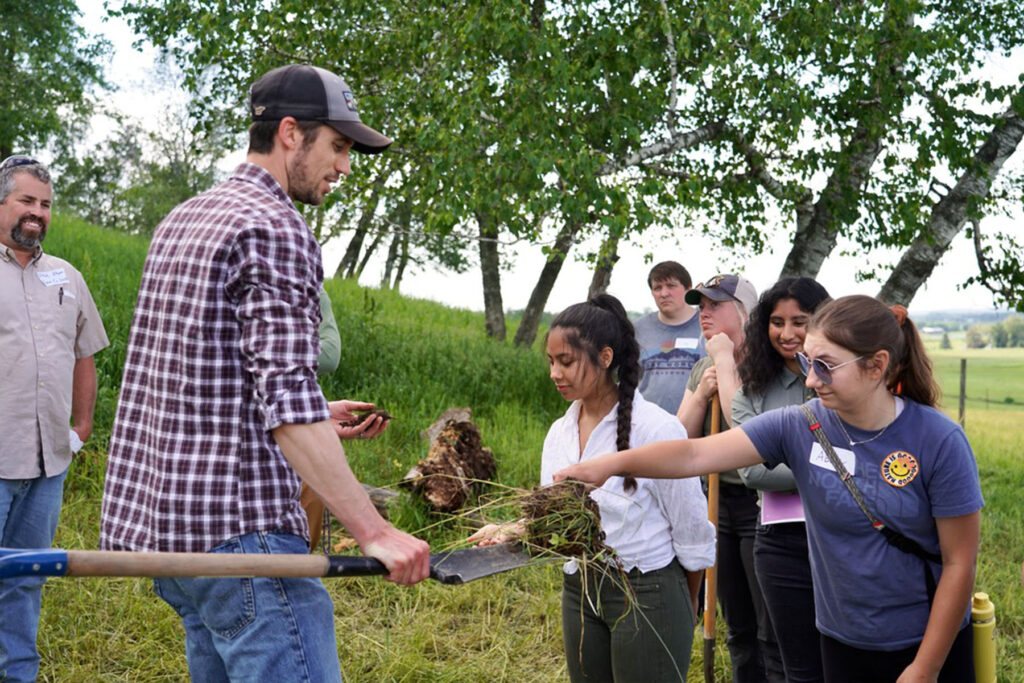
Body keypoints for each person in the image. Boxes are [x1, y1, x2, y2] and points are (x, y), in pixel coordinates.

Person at [99, 64, 429, 682]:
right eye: (337, 146)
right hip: (241, 537)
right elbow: (284, 398)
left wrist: (316, 412)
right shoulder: (276, 229)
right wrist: (374, 529)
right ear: (288, 133)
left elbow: (191, 375)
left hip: (168, 535)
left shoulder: (185, 218)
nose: (345, 167)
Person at [556, 295, 982, 683]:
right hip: (842, 638)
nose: (811, 380)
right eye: (806, 362)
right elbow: (693, 457)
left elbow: (959, 563)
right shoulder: (802, 424)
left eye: (826, 366)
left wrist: (925, 668)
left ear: (877, 364)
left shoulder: (938, 441)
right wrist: (608, 464)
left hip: (925, 642)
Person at [470, 294, 715, 682]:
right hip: (580, 589)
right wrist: (509, 531)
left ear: (604, 357)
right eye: (550, 362)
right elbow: (554, 521)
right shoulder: (559, 433)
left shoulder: (656, 429)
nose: (554, 373)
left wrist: (685, 607)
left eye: (566, 361)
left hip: (648, 590)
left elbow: (692, 532)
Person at [0, 155, 109, 682]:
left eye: (45, 204)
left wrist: (81, 427)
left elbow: (84, 353)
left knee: (25, 577)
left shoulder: (66, 277)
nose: (37, 213)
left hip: (48, 464)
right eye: (26, 201)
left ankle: (17, 674)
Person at [676, 273, 783, 682]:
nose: (704, 314)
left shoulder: (769, 362)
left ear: (744, 311)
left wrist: (724, 358)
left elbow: (746, 433)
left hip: (763, 503)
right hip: (716, 504)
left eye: (714, 305)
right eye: (700, 306)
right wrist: (703, 393)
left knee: (767, 621)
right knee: (735, 619)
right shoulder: (704, 366)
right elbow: (681, 436)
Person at [733, 277, 831, 683]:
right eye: (777, 322)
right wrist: (826, 467)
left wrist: (788, 466)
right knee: (784, 649)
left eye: (800, 321)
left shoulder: (843, 382)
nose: (787, 334)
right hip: (779, 541)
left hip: (840, 534)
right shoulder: (751, 390)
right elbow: (753, 471)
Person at [634, 261, 705, 414]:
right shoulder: (638, 329)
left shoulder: (706, 325)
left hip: (694, 428)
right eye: (657, 288)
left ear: (688, 288)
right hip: (646, 426)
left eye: (671, 286)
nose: (664, 293)